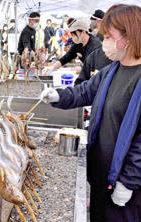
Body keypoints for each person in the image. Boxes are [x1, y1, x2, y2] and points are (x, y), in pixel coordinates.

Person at [40, 4, 141, 221]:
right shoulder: (112, 70)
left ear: (130, 37)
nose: (104, 42)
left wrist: (129, 181)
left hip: (126, 184)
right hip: (101, 174)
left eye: (109, 36)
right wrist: (58, 96)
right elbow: (84, 91)